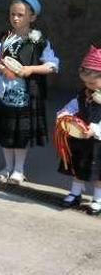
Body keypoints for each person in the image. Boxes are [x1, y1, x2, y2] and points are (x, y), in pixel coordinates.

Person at [0, 0, 58, 185]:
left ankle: (19, 169)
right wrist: (2, 68)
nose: (15, 18)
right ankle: (7, 166)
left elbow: (52, 64)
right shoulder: (4, 37)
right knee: (5, 129)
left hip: (26, 94)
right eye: (12, 14)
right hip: (2, 91)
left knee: (20, 132)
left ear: (32, 17)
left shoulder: (39, 41)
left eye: (20, 15)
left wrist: (29, 69)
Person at [57, 46, 101, 215]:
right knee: (78, 166)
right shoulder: (84, 94)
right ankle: (76, 193)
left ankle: (98, 199)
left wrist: (96, 129)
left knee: (98, 173)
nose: (88, 86)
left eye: (92, 82)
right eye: (85, 82)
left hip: (97, 142)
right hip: (81, 140)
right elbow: (74, 105)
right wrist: (64, 115)